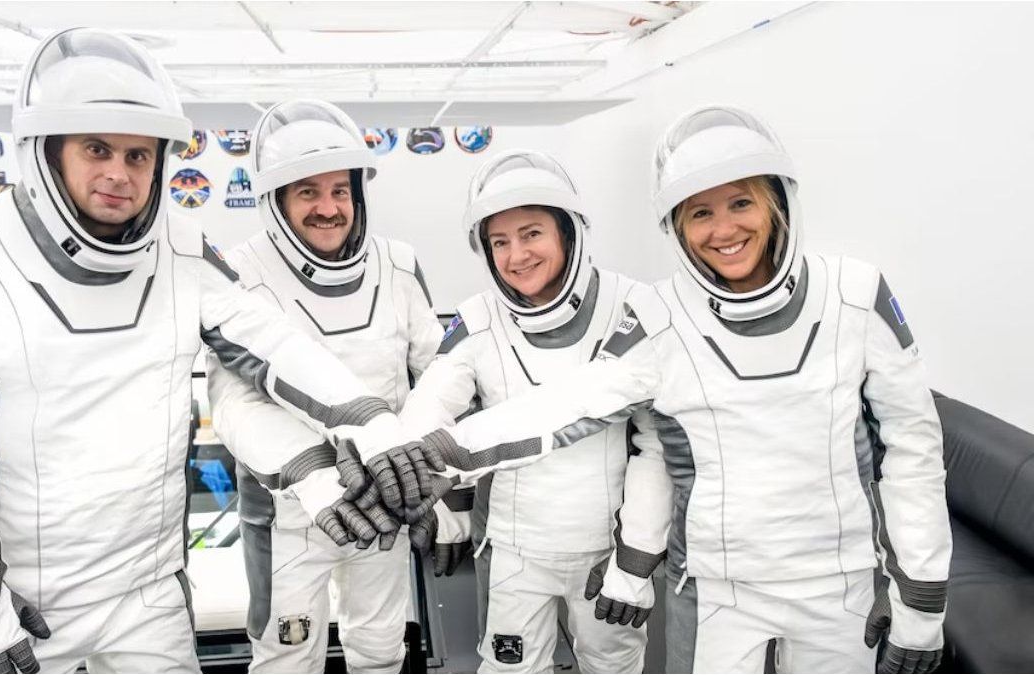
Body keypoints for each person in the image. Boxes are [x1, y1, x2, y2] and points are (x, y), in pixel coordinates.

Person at [0, 30, 421, 674]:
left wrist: (371, 423)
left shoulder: (182, 248)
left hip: (151, 590)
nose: (119, 173)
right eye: (96, 149)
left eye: (138, 155)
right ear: (45, 151)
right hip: (22, 604)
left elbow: (270, 341)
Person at [419, 105, 951, 674]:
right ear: (677, 226)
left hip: (841, 585)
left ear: (778, 202)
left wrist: (921, 595)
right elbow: (566, 405)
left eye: (741, 203)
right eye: (701, 212)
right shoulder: (660, 315)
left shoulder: (856, 295)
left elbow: (913, 449)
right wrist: (428, 457)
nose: (723, 230)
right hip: (716, 589)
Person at [400, 149, 670, 673]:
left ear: (568, 232)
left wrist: (636, 556)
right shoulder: (478, 318)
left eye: (531, 234)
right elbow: (430, 411)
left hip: (604, 552)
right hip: (513, 551)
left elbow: (655, 446)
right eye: (499, 242)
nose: (516, 255)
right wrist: (444, 509)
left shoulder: (634, 306)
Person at [204, 99, 446, 673]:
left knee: (382, 649)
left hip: (383, 503)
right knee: (285, 656)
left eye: (341, 191)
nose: (329, 208)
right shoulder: (239, 274)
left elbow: (436, 374)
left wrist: (433, 484)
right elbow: (233, 402)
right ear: (275, 200)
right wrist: (311, 473)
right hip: (287, 514)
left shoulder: (398, 264)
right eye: (308, 192)